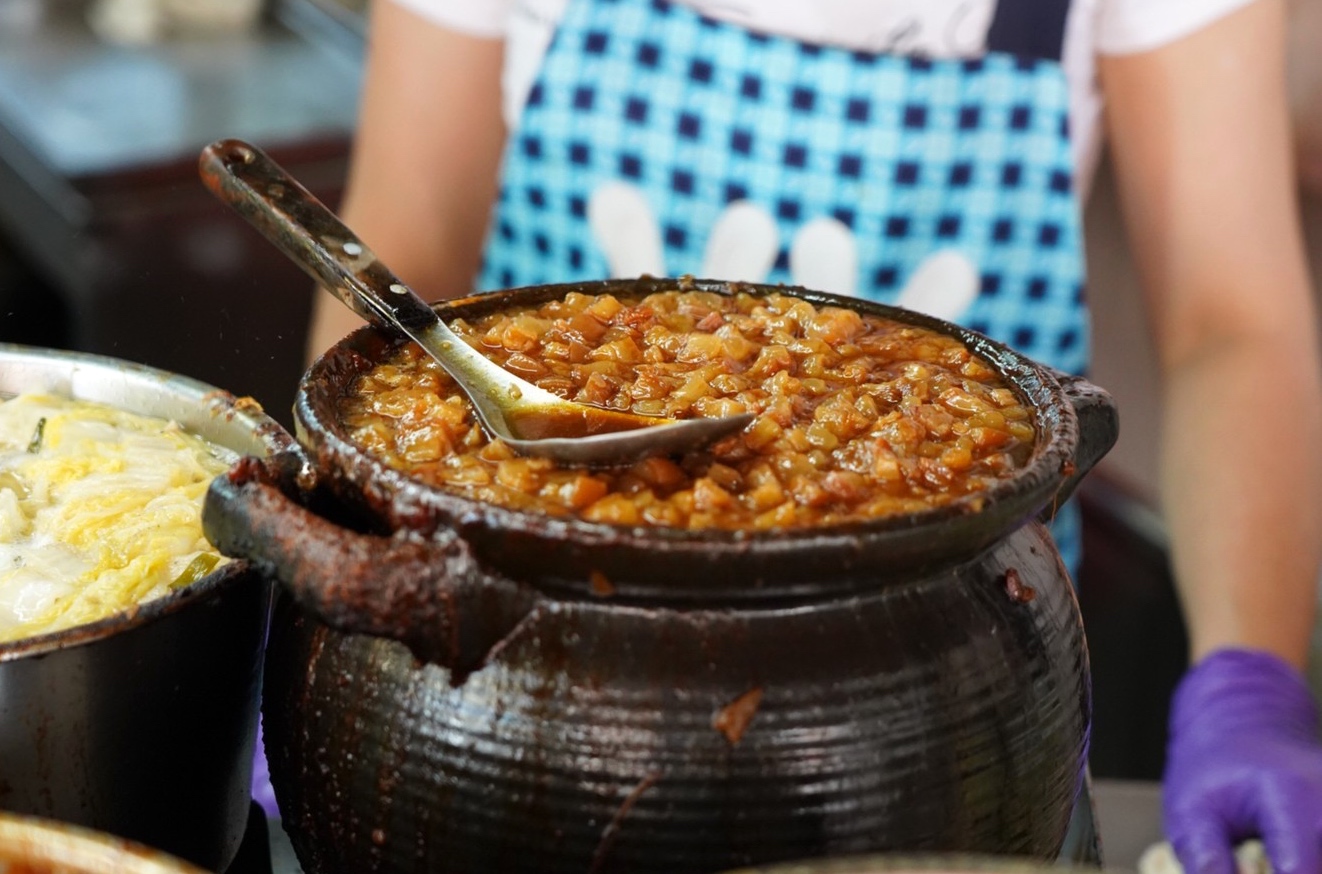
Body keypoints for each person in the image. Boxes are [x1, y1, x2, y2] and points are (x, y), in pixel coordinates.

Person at [306, 1, 1322, 871]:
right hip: (509, 681)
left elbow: (1228, 319)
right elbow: (406, 237)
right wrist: (320, 603)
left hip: (956, 685)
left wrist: (1249, 676)